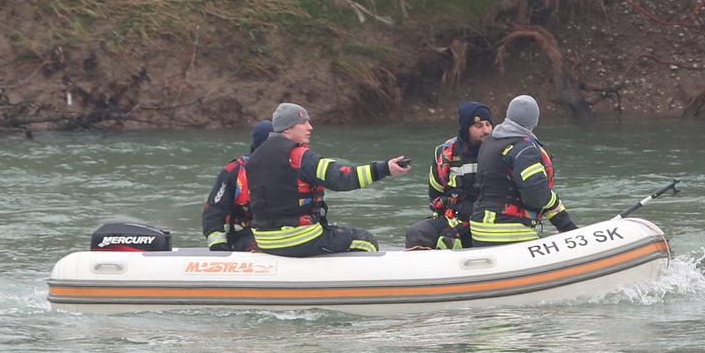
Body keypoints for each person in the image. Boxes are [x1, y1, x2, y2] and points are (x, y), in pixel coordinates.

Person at [245, 102, 411, 256]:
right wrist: (385, 168)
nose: (309, 127)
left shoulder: (254, 158)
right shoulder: (300, 156)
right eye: (303, 122)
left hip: (264, 241)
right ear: (287, 129)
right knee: (366, 241)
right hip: (298, 239)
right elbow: (342, 178)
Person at [469, 95, 577, 246]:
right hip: (507, 233)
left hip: (479, 230)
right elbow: (537, 194)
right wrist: (567, 225)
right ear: (534, 121)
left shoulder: (490, 142)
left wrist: (566, 226)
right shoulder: (525, 151)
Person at [405, 100, 493, 250]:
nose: (486, 130)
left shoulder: (498, 150)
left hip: (489, 220)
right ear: (466, 128)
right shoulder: (445, 153)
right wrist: (451, 225)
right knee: (417, 232)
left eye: (488, 124)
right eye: (478, 126)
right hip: (454, 218)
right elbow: (435, 195)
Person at [202, 119, 273, 251]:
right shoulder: (233, 172)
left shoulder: (291, 167)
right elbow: (214, 211)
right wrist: (218, 245)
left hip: (280, 234)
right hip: (244, 236)